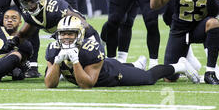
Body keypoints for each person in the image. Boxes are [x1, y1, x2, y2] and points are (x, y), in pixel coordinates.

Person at [44, 15, 200, 89]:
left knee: (148, 78)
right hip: (104, 66)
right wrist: (57, 62)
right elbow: (50, 84)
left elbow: (86, 85)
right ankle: (136, 64)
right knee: (129, 67)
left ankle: (179, 66)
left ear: (79, 35)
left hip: (111, 74)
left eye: (70, 34)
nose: (66, 38)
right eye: (63, 34)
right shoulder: (53, 49)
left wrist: (75, 61)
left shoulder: (90, 50)